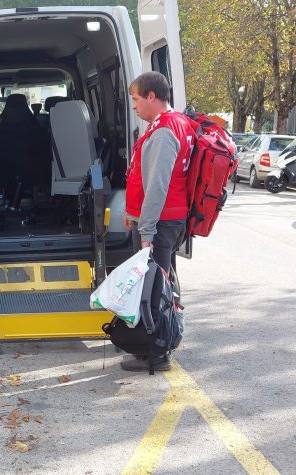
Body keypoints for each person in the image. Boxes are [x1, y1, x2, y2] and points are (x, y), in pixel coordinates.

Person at [121, 71, 195, 373]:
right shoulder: (179, 123)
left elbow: (157, 186)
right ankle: (156, 347)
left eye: (136, 99)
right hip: (170, 219)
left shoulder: (164, 132)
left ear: (151, 96)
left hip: (161, 222)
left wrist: (146, 229)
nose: (134, 106)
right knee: (162, 285)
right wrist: (133, 213)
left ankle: (157, 353)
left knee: (155, 292)